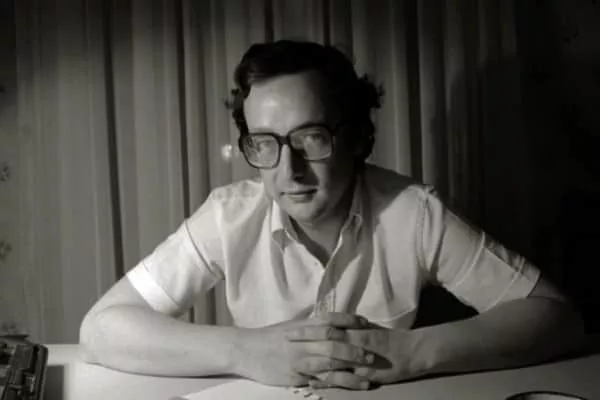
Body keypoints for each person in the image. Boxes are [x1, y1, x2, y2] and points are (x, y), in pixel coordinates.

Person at [79, 40, 585, 390]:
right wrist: (246, 351)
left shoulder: (414, 213)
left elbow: (556, 318)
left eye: (311, 138)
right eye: (264, 143)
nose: (289, 170)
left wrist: (409, 353)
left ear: (358, 138)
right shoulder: (227, 216)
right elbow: (101, 328)